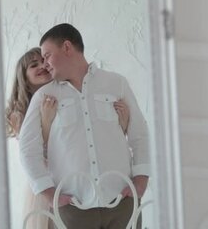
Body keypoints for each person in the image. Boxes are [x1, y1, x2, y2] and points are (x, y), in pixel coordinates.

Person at [18, 24, 150, 229]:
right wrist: (49, 193)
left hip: (122, 203)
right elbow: (28, 149)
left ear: (67, 47)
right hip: (73, 209)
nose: (45, 64)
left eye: (47, 55)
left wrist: (141, 181)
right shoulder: (43, 96)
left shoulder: (116, 83)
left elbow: (139, 134)